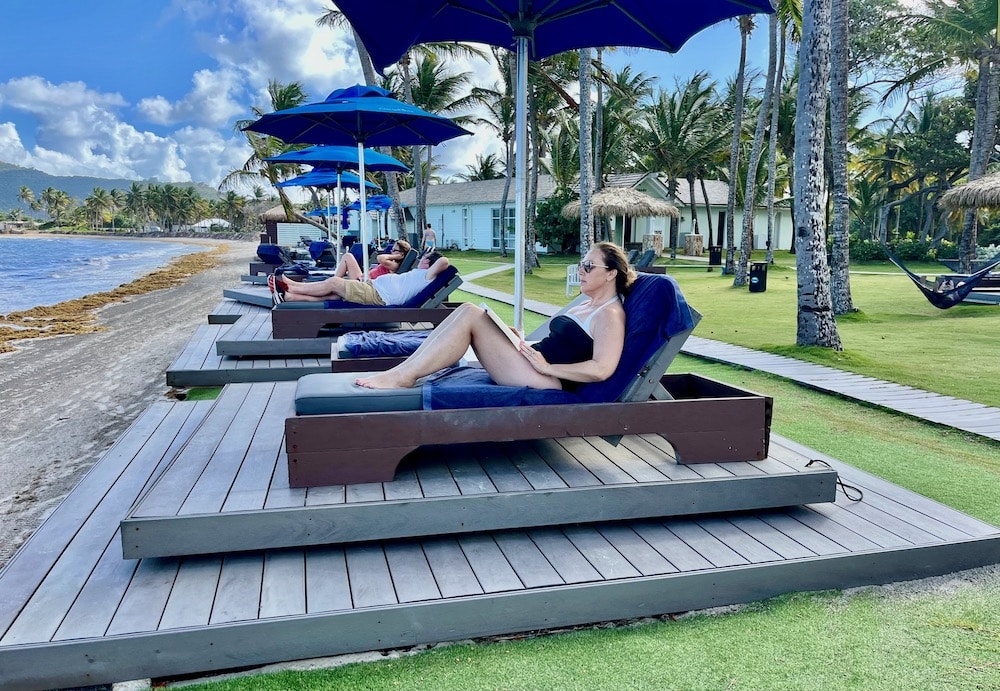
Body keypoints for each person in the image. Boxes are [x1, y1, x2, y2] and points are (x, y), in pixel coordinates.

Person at [356, 242, 633, 392]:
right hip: (532, 364)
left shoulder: (609, 313)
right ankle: (401, 371)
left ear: (611, 273)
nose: (580, 270)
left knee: (470, 315)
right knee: (467, 310)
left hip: (548, 380)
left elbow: (601, 370)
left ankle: (404, 376)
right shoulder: (587, 303)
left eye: (588, 265)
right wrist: (517, 339)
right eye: (580, 264)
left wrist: (548, 367)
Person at [272, 251, 450, 307]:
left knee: (335, 282)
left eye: (424, 258)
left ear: (428, 262)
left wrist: (431, 253)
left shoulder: (427, 276)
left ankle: (291, 287)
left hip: (378, 294)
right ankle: (291, 296)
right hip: (373, 288)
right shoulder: (421, 275)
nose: (420, 260)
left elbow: (444, 261)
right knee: (334, 294)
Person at [334, 239, 411, 281]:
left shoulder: (395, 266)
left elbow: (380, 258)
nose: (391, 251)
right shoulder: (392, 263)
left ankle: (335, 281)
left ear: (401, 254)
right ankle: (335, 281)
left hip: (363, 284)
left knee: (348, 257)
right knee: (347, 256)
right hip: (362, 278)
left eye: (394, 250)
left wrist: (396, 256)